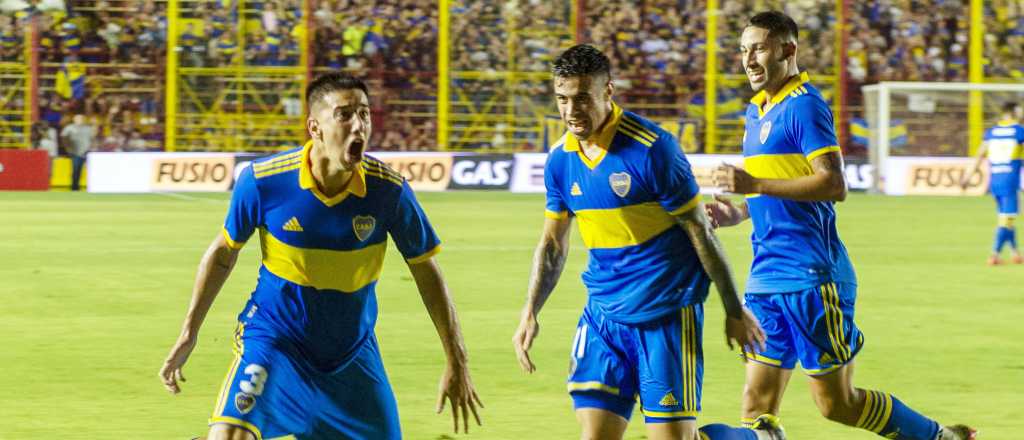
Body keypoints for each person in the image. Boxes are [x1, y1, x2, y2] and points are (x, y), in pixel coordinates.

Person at [159, 73, 483, 440]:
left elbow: (426, 271)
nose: (358, 125)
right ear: (315, 127)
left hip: (351, 356)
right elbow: (222, 254)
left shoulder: (388, 191)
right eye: (344, 115)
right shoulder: (264, 182)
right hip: (276, 343)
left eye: (364, 113)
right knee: (230, 436)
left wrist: (457, 359)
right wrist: (189, 332)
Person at [707, 11, 976, 440]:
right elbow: (780, 185)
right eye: (743, 50)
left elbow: (833, 184)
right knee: (756, 409)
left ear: (788, 49)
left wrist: (753, 183)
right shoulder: (757, 111)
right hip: (766, 275)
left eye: (758, 48)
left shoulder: (804, 105)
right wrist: (739, 211)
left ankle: (940, 437)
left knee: (837, 405)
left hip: (811, 276)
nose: (749, 60)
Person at [512, 44, 778, 440]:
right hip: (604, 317)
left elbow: (700, 231)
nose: (571, 111)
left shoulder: (653, 149)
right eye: (562, 99)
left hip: (665, 313)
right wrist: (530, 310)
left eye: (582, 98)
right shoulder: (560, 160)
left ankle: (760, 437)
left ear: (608, 91)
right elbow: (552, 244)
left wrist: (733, 309)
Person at [962, 101, 1024, 265]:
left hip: (995, 182)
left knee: (1006, 218)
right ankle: (994, 255)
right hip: (1009, 181)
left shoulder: (991, 132)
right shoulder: (1019, 131)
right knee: (1007, 219)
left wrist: (967, 176)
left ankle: (1015, 253)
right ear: (1014, 112)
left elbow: (979, 155)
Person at [60, 114, 95, 191]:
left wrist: (91, 148)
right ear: (74, 120)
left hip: (87, 151)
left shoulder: (88, 128)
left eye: (81, 119)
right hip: (75, 152)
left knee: (90, 170)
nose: (80, 120)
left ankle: (92, 186)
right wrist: (68, 148)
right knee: (76, 169)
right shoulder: (69, 128)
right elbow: (63, 137)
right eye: (78, 119)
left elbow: (92, 138)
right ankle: (75, 187)